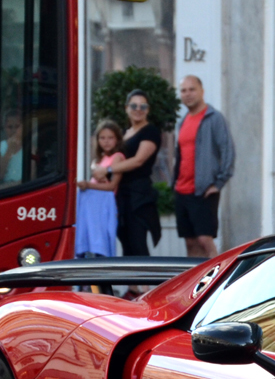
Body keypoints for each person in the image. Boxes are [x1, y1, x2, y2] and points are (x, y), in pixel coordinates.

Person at [174, 75, 235, 258]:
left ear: (202, 91)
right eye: (183, 90)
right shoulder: (183, 121)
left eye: (192, 89)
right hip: (182, 190)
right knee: (190, 243)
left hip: (203, 190)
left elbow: (228, 151)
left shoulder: (214, 118)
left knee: (204, 241)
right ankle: (195, 285)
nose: (188, 94)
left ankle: (218, 284)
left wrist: (218, 183)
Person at [99, 89, 162, 261]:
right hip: (121, 194)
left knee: (138, 242)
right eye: (134, 105)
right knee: (125, 240)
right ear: (127, 108)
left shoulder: (150, 131)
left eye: (143, 106)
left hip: (138, 195)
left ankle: (146, 288)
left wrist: (108, 170)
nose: (138, 109)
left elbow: (138, 161)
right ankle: (133, 288)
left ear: (148, 110)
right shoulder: (125, 133)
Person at [74, 120, 123, 260]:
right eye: (102, 138)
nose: (106, 141)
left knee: (100, 243)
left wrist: (88, 185)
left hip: (103, 207)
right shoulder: (99, 159)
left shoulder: (117, 157)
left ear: (117, 139)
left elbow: (111, 186)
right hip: (92, 207)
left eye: (110, 138)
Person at [0, 110, 23, 186]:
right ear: (4, 128)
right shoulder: (0, 147)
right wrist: (9, 152)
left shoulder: (30, 149)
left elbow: (32, 178)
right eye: (10, 127)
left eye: (17, 126)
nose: (13, 130)